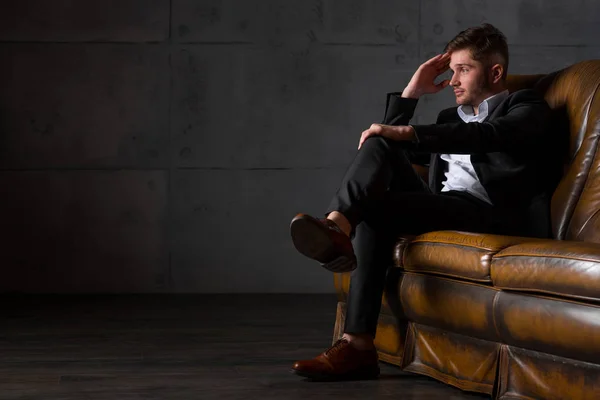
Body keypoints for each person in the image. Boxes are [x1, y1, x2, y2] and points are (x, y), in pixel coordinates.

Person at [289, 23, 558, 381]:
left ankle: (356, 346)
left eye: (464, 69)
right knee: (381, 143)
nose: (454, 80)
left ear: (495, 72)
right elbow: (383, 141)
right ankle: (336, 225)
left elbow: (492, 135)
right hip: (444, 204)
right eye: (452, 71)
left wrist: (411, 132)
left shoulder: (524, 105)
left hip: (489, 212)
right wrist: (411, 93)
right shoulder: (450, 118)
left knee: (377, 204)